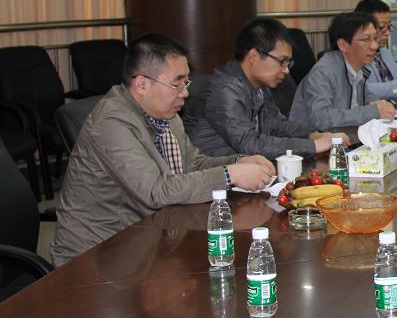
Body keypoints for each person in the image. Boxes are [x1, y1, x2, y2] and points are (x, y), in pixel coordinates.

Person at [51, 34, 274, 266]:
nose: (185, 93)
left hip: (146, 238)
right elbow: (154, 191)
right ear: (142, 84)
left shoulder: (165, 115)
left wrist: (239, 162)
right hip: (97, 256)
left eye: (186, 83)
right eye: (176, 84)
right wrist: (229, 175)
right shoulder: (111, 123)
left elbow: (193, 164)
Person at [185, 17, 349, 159]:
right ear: (253, 56)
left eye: (288, 63)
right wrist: (314, 146)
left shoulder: (259, 86)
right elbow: (249, 143)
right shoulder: (224, 91)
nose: (286, 70)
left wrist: (313, 135)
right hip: (214, 175)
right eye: (282, 61)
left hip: (246, 169)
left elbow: (277, 124)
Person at [290, 11, 396, 130]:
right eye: (366, 39)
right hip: (311, 139)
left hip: (345, 136)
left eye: (375, 38)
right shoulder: (323, 72)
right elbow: (320, 119)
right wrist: (373, 111)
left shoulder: (358, 68)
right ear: (343, 45)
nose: (374, 46)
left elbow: (368, 100)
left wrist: (380, 105)